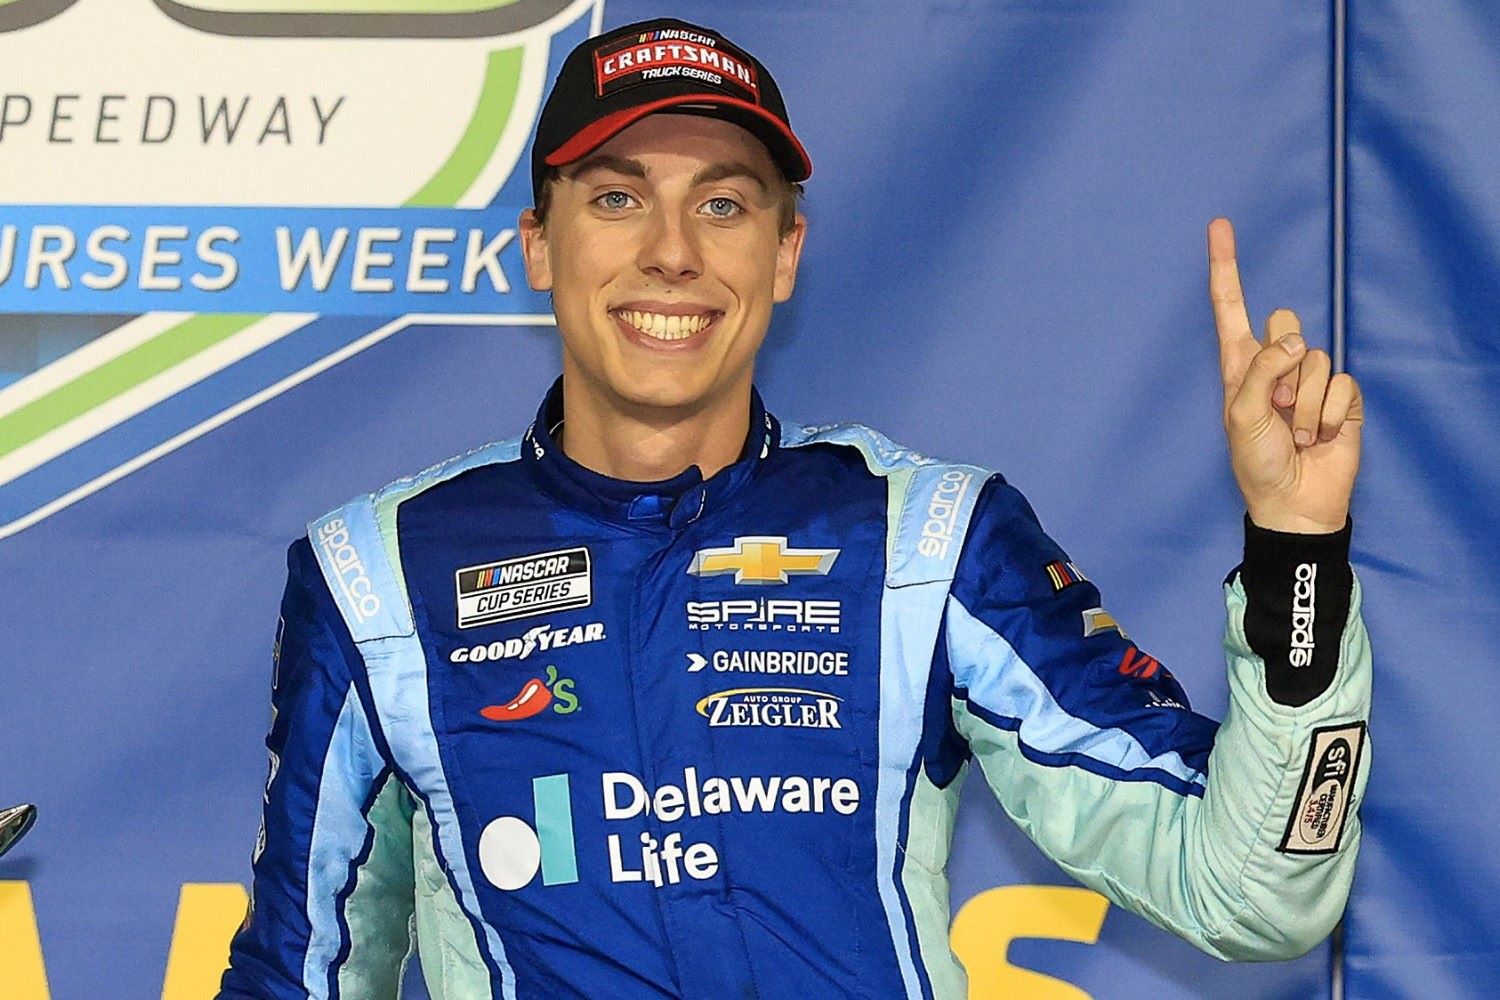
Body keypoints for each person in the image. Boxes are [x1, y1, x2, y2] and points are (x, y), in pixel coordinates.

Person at [219, 16, 1370, 1000]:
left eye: (723, 205)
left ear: (784, 253)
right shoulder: (376, 573)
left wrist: (1298, 550)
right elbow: (299, 971)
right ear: (538, 244)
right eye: (617, 198)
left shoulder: (928, 539)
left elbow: (1257, 892)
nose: (671, 253)